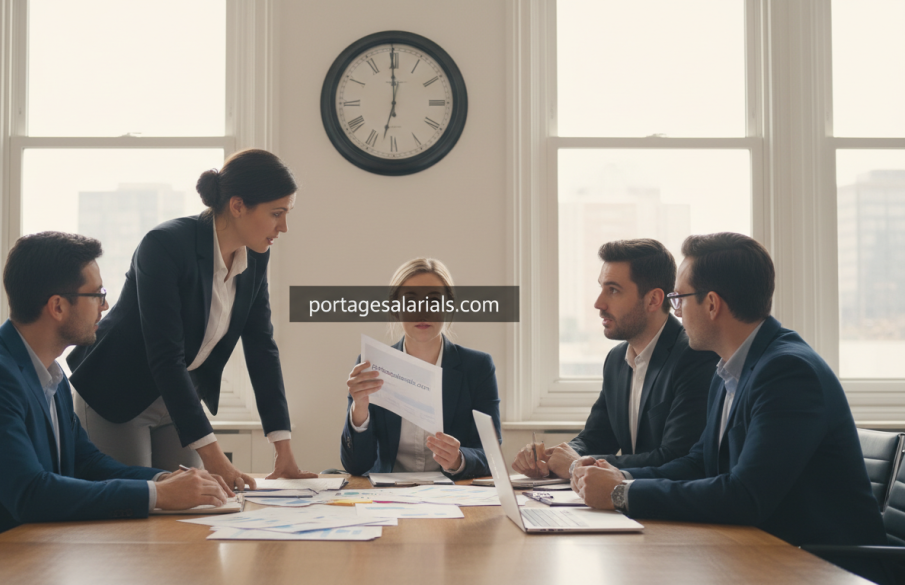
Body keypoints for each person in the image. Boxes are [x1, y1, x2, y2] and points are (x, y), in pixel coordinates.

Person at [572, 232, 888, 584]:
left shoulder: (787, 372)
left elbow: (745, 495)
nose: (676, 311)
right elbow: (700, 462)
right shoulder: (730, 368)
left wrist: (621, 494)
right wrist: (621, 477)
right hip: (762, 552)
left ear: (711, 304)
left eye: (679, 299)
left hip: (822, 568)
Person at [0, 232, 228, 567]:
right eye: (96, 295)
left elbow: (87, 463)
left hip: (23, 551)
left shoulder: (49, 373)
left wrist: (161, 480)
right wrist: (158, 497)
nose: (106, 306)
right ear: (57, 306)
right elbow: (30, 494)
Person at [67, 149, 313, 489]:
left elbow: (261, 347)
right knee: (135, 508)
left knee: (195, 506)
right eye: (276, 213)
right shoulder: (165, 245)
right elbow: (165, 355)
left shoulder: (255, 257)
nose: (283, 227)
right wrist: (216, 460)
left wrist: (282, 449)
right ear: (238, 205)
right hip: (119, 391)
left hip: (178, 399)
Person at [512, 239, 716, 479]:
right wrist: (554, 456)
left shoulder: (695, 356)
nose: (599, 304)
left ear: (653, 299)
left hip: (664, 503)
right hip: (624, 500)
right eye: (601, 288)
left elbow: (675, 456)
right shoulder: (616, 359)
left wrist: (577, 464)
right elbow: (596, 437)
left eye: (613, 290)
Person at [340, 259, 501, 479]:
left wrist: (459, 459)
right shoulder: (373, 364)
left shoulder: (478, 367)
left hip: (453, 495)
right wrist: (359, 410)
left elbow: (492, 455)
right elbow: (357, 466)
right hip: (389, 496)